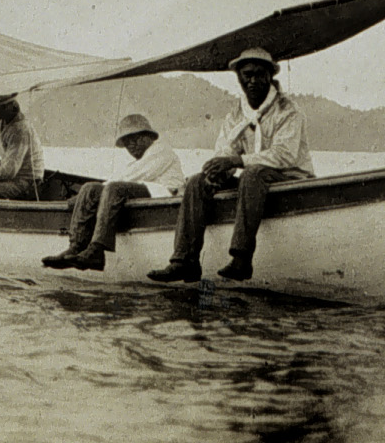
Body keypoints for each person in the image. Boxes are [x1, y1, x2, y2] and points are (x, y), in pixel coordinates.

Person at [148, 47, 315, 284]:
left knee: (253, 173)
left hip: (289, 180)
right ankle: (184, 261)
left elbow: (284, 156)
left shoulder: (288, 110)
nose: (253, 81)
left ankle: (241, 258)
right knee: (197, 181)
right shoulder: (237, 114)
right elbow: (227, 149)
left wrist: (236, 161)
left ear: (270, 76)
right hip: (254, 185)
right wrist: (219, 167)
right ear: (239, 78)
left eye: (259, 74)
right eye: (247, 75)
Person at [41, 113, 185, 272]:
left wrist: (86, 195)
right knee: (90, 188)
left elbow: (131, 177)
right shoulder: (141, 160)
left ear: (148, 137)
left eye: (135, 139)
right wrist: (85, 194)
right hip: (147, 192)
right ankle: (76, 247)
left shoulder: (161, 151)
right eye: (127, 142)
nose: (131, 145)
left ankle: (97, 248)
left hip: (163, 194)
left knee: (112, 188)